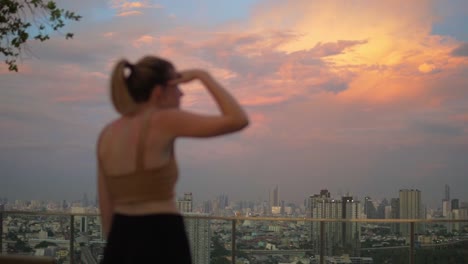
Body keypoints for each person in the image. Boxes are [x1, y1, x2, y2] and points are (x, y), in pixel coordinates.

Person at [96, 55, 249, 263]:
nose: (182, 92)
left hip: (120, 239)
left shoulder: (107, 134)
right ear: (159, 92)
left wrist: (117, 246)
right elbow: (238, 119)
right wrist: (202, 76)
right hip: (160, 235)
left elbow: (106, 205)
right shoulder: (163, 120)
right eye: (177, 86)